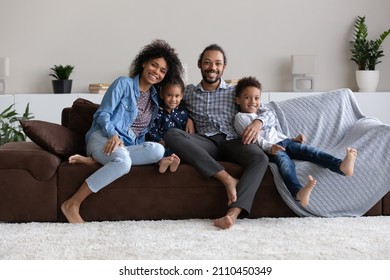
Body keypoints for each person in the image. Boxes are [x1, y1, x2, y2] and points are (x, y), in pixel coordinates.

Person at [61, 39, 184, 223]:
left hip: (126, 147)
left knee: (157, 150)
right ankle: (72, 204)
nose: (156, 72)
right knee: (124, 162)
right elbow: (102, 114)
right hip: (102, 137)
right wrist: (113, 135)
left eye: (162, 70)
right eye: (154, 65)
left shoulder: (154, 100)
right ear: (143, 63)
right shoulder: (123, 84)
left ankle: (95, 162)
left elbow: (141, 134)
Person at [164, 44, 277, 229]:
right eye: (207, 62)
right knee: (172, 135)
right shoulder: (189, 92)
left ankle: (233, 214)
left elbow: (270, 112)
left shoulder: (235, 92)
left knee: (260, 158)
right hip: (206, 143)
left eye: (218, 63)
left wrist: (258, 123)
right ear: (199, 64)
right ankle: (227, 179)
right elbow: (171, 101)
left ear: (224, 67)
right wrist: (188, 116)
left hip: (233, 141)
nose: (212, 67)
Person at [234, 76, 358, 207]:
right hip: (270, 149)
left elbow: (274, 132)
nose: (253, 101)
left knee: (311, 151)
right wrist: (270, 148)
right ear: (238, 100)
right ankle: (298, 192)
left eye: (257, 98)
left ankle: (341, 166)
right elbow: (256, 139)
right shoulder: (241, 118)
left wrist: (293, 139)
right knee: (286, 165)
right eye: (247, 97)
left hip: (284, 141)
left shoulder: (262, 113)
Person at [147, 75, 190, 173]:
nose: (173, 100)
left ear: (182, 96)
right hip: (161, 143)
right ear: (162, 94)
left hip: (176, 144)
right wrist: (159, 141)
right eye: (169, 95)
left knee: (182, 150)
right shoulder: (157, 112)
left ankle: (174, 160)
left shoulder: (183, 113)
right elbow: (151, 130)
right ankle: (162, 162)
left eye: (177, 96)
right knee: (157, 151)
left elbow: (186, 133)